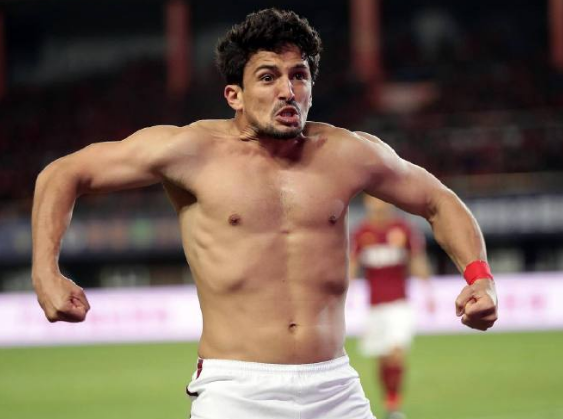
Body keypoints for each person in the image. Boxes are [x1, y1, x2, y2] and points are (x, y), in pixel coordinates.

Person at [31, 8, 498, 419]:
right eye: (269, 77)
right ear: (234, 95)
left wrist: (479, 278)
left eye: (299, 76)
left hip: (334, 387)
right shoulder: (190, 151)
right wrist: (45, 272)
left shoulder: (348, 153)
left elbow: (438, 200)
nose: (287, 91)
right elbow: (64, 173)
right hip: (236, 391)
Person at [350, 195, 434, 419]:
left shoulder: (403, 229)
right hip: (375, 307)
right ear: (367, 203)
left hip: (399, 304)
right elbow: (352, 264)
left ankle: (394, 404)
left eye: (381, 200)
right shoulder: (361, 233)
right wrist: (345, 293)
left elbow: (416, 259)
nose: (378, 205)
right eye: (373, 201)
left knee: (396, 353)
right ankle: (389, 401)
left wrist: (428, 290)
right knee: (383, 358)